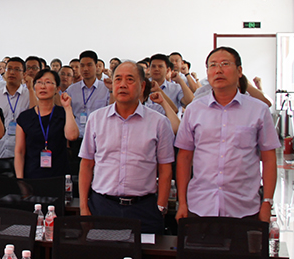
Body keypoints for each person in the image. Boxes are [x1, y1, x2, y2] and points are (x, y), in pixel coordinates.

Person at [175, 47, 281, 221]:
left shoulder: (258, 110)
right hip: (201, 205)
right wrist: (182, 203)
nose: (218, 70)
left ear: (239, 71)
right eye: (213, 65)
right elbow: (184, 158)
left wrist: (267, 203)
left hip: (244, 207)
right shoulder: (194, 110)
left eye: (225, 64)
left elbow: (269, 159)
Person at [78, 61, 175, 234]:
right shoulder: (96, 119)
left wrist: (161, 206)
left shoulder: (159, 122)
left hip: (144, 208)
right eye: (118, 79)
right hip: (102, 206)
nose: (122, 85)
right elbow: (86, 164)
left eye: (130, 79)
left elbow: (165, 168)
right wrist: (84, 207)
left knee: (145, 251)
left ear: (142, 86)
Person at [14, 69, 77, 180]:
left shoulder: (63, 114)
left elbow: (72, 136)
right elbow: (19, 152)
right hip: (32, 176)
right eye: (39, 82)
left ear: (57, 89)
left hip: (59, 176)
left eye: (48, 82)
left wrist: (67, 108)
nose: (43, 86)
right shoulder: (25, 117)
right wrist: (20, 180)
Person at [65, 50, 109, 172]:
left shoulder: (106, 89)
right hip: (77, 139)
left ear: (97, 66)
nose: (85, 69)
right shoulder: (72, 90)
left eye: (89, 65)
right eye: (82, 65)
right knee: (77, 173)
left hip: (99, 139)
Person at [0, 57, 36, 175]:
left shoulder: (30, 95)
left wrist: (31, 89)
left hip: (22, 154)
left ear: (24, 74)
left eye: (17, 69)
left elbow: (35, 116)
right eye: (9, 69)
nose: (12, 72)